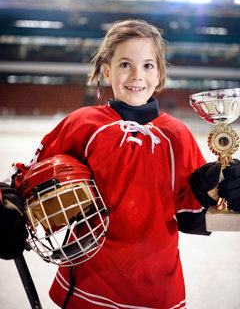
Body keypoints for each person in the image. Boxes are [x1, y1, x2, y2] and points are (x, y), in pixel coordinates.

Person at [1, 18, 240, 309]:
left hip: (158, 288)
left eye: (148, 65)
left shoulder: (177, 135)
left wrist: (221, 185)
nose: (136, 75)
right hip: (89, 284)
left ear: (160, 74)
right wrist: (7, 206)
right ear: (106, 70)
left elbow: (189, 212)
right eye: (125, 64)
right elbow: (28, 180)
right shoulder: (83, 123)